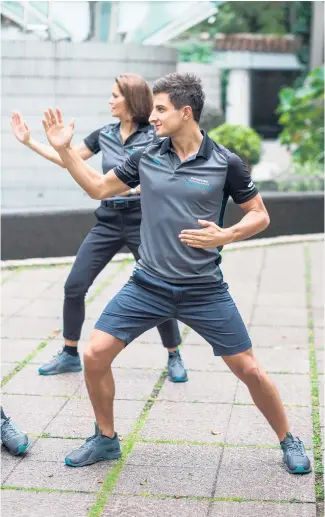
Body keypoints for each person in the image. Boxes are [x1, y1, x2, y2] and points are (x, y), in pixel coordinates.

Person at [41, 72, 311, 475]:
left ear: (186, 113)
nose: (152, 117)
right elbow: (98, 188)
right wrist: (65, 152)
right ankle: (105, 438)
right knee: (94, 354)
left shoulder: (226, 162)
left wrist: (228, 234)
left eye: (161, 109)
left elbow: (260, 215)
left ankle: (289, 439)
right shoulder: (147, 155)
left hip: (205, 290)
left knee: (249, 369)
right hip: (147, 285)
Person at [11, 74, 187, 383]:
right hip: (107, 220)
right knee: (74, 285)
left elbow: (169, 175)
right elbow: (68, 159)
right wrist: (30, 142)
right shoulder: (104, 134)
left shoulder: (155, 137)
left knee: (159, 287)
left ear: (131, 100)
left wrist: (140, 190)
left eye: (115, 95)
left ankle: (174, 354)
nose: (110, 100)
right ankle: (68, 354)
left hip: (141, 222)